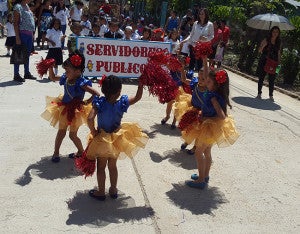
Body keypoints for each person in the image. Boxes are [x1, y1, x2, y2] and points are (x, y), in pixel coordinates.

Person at [79, 75, 148, 200]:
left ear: (103, 89)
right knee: (112, 166)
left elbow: (89, 118)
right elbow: (137, 97)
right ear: (119, 91)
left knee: (101, 167)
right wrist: (140, 85)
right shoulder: (122, 103)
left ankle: (101, 191)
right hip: (116, 140)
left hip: (102, 140)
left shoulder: (99, 103)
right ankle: (113, 189)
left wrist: (93, 131)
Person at [180, 56, 239, 189]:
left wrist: (206, 119)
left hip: (209, 127)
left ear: (216, 84)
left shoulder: (213, 97)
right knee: (206, 152)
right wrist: (205, 57)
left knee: (198, 152)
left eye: (208, 81)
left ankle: (201, 180)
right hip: (209, 127)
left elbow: (222, 117)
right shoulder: (211, 90)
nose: (205, 82)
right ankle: (205, 176)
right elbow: (207, 73)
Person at [41, 50, 100, 163]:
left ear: (77, 71)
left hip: (75, 111)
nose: (66, 72)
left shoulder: (81, 83)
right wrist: (49, 67)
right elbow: (53, 77)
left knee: (72, 135)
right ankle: (56, 152)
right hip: (63, 108)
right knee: (61, 132)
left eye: (68, 70)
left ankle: (81, 152)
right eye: (65, 70)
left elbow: (96, 93)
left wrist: (87, 102)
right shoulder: (66, 78)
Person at [180, 8, 214, 72]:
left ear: (206, 15)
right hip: (193, 45)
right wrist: (184, 41)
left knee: (200, 64)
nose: (201, 15)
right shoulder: (196, 23)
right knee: (191, 62)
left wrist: (206, 39)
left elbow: (212, 36)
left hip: (202, 47)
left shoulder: (210, 24)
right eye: (200, 14)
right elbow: (191, 35)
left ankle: (200, 79)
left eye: (203, 14)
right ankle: (190, 75)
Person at [13, 0, 37, 82]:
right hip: (22, 34)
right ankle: (16, 74)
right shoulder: (18, 7)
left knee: (27, 54)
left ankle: (26, 72)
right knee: (19, 54)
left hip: (29, 34)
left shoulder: (27, 6)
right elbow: (15, 23)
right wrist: (17, 37)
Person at [256, 26, 281, 101]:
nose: (275, 33)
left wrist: (279, 62)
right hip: (264, 60)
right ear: (271, 32)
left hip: (273, 62)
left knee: (272, 79)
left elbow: (279, 52)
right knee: (261, 77)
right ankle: (259, 93)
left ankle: (271, 95)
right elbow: (259, 51)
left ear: (278, 33)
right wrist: (264, 45)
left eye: (277, 32)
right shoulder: (266, 39)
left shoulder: (279, 41)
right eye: (274, 31)